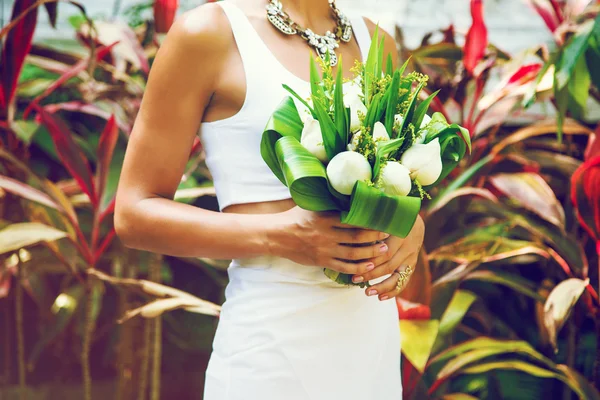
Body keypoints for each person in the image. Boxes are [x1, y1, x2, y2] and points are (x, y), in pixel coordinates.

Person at [114, 0, 425, 398]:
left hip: (369, 346)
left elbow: (394, 189)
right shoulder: (211, 33)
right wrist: (280, 235)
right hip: (270, 348)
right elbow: (134, 214)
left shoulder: (377, 42)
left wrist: (411, 225)